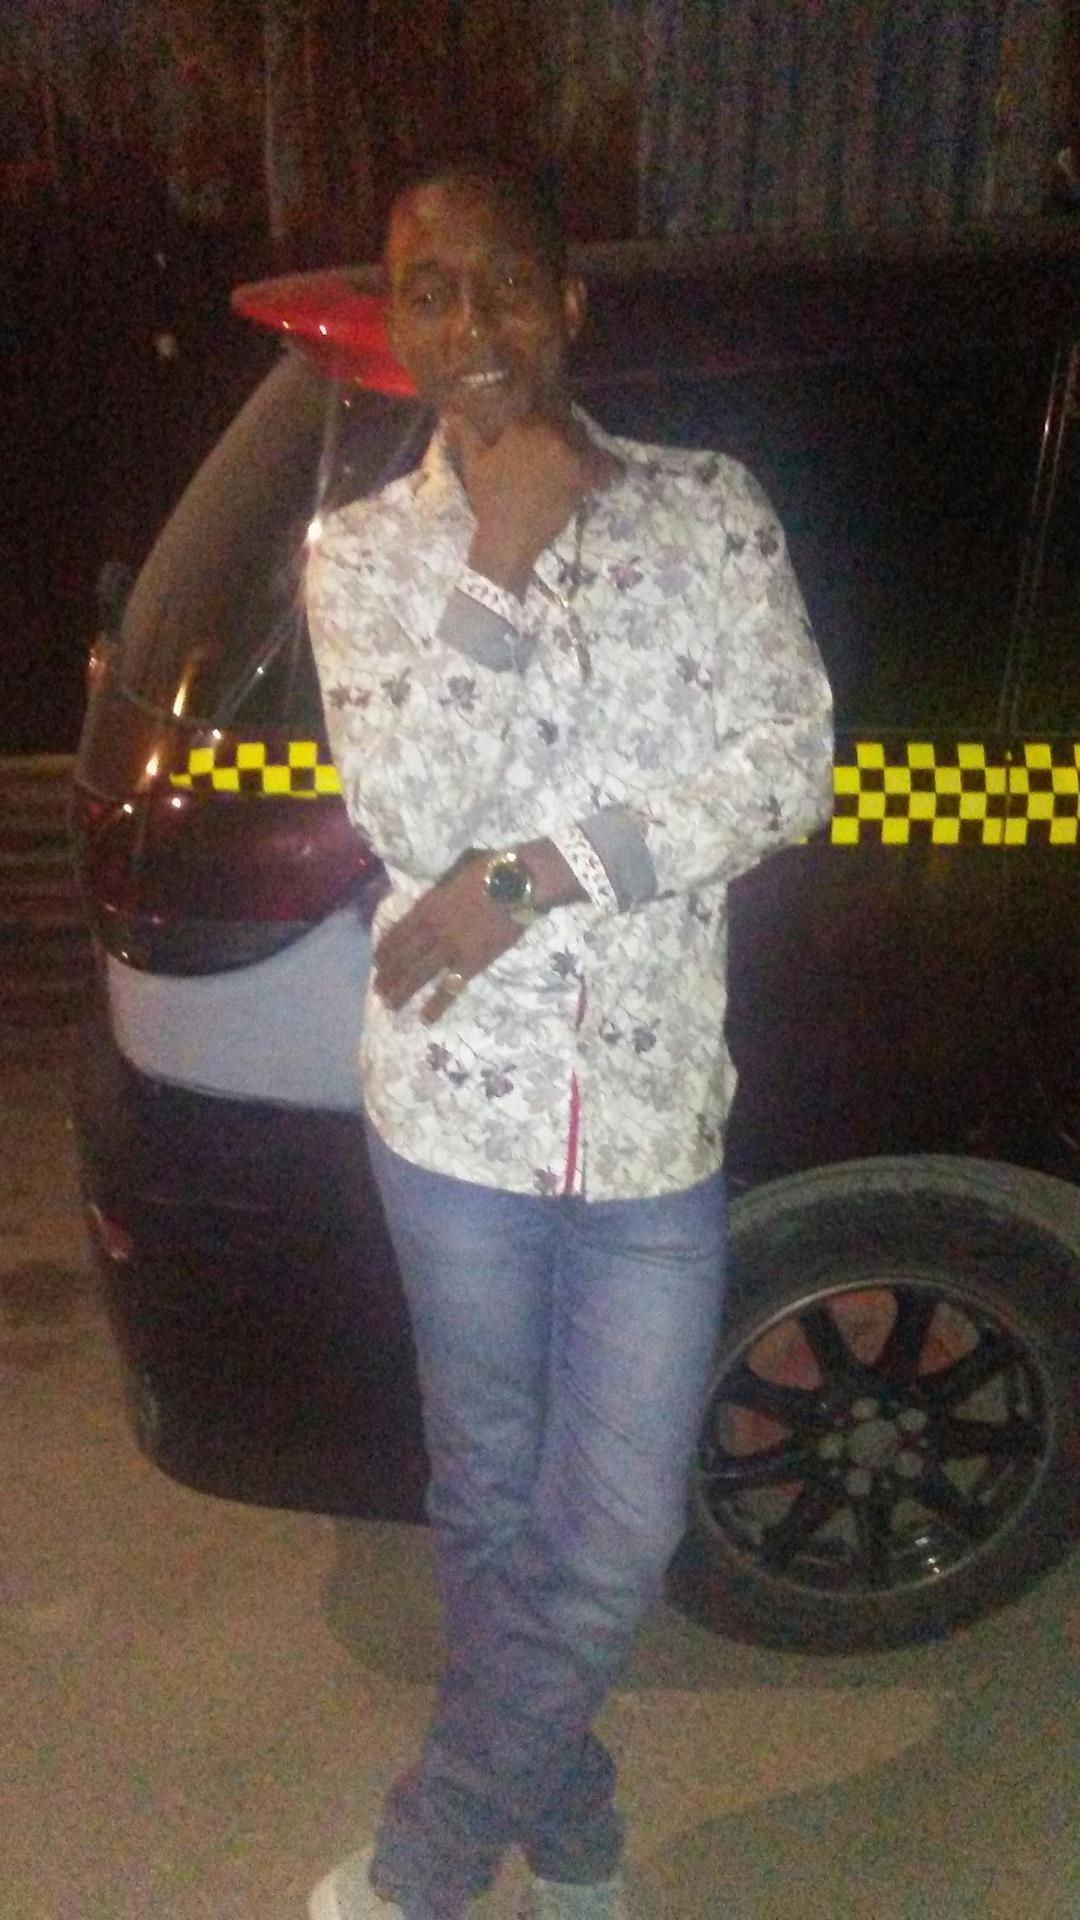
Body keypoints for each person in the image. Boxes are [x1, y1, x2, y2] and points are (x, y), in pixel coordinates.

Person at [305, 163, 834, 1920]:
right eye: (428, 291)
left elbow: (787, 767)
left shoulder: (708, 510)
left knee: (616, 1535)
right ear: (399, 325)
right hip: (452, 1124)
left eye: (505, 286)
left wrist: (536, 876)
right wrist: (501, 557)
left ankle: (430, 1861)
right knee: (489, 1505)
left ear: (569, 306)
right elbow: (409, 813)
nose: (469, 325)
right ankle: (582, 1831)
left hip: (657, 1127)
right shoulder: (362, 554)